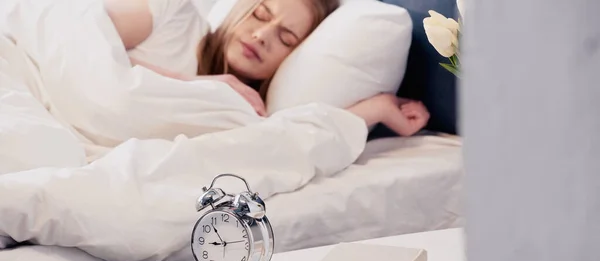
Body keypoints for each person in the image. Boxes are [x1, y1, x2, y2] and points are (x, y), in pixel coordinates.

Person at [103, 0, 430, 136]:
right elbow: (87, 42)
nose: (261, 36)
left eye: (285, 38)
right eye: (260, 14)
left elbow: (289, 141)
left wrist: (379, 108)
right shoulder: (173, 14)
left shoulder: (249, 111)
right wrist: (190, 83)